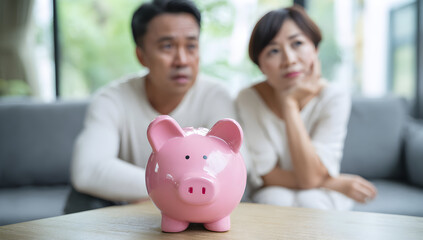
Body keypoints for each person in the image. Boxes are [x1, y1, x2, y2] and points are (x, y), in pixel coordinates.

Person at [65, 0, 239, 213]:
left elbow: (235, 169)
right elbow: (88, 170)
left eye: (191, 46)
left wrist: (161, 195)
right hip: (127, 215)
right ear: (141, 56)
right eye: (167, 46)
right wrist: (167, 192)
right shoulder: (111, 99)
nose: (182, 60)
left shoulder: (215, 96)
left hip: (197, 212)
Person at [236, 5, 377, 210]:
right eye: (274, 51)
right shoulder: (248, 98)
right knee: (275, 199)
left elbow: (312, 176)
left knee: (313, 201)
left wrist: (289, 105)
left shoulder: (333, 97)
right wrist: (333, 182)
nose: (290, 60)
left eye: (298, 43)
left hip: (319, 194)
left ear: (316, 49)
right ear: (261, 65)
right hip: (274, 188)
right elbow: (267, 174)